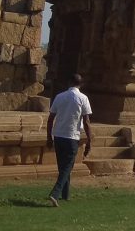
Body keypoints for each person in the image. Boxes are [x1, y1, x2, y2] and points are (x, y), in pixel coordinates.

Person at [46, 73, 93, 206]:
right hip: (72, 137)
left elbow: (50, 119)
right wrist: (90, 140)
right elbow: (87, 121)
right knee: (67, 167)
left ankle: (65, 195)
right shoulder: (83, 98)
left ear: (68, 83)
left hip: (59, 136)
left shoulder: (59, 97)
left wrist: (49, 137)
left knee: (64, 167)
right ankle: (55, 193)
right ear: (81, 84)